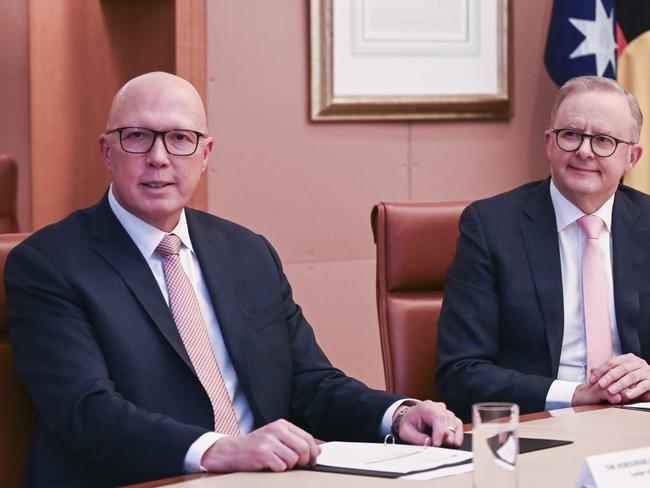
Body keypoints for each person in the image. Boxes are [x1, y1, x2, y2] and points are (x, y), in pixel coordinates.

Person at [5, 72, 462, 487]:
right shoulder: (48, 264)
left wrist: (397, 413)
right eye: (138, 137)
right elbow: (86, 412)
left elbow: (309, 383)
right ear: (107, 151)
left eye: (180, 138)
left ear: (205, 155)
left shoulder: (247, 252)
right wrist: (218, 450)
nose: (159, 158)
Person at [436, 75, 650, 423]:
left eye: (603, 140)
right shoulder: (490, 227)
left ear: (632, 157)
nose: (584, 150)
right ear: (550, 143)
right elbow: (460, 372)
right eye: (571, 135)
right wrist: (577, 394)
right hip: (539, 426)